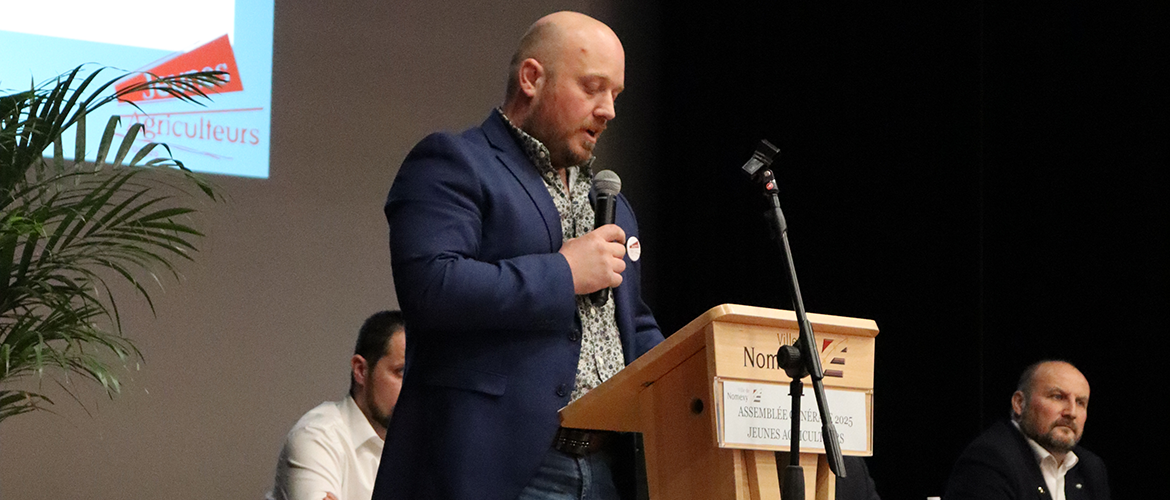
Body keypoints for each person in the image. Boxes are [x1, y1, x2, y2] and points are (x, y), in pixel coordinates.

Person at [372, 11, 663, 500]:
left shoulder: (608, 202)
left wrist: (704, 367)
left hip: (607, 471)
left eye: (615, 94)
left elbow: (629, 323)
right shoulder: (455, 163)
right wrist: (564, 272)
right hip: (502, 472)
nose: (608, 109)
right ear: (532, 78)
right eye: (593, 87)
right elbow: (433, 288)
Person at [268, 311, 407, 500]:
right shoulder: (316, 437)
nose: (414, 389)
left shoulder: (426, 444)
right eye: (401, 372)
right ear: (360, 370)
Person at [944, 360, 1110, 500]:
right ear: (1019, 403)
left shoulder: (1090, 468)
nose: (1071, 412)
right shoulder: (989, 460)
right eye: (1058, 397)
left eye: (1081, 402)